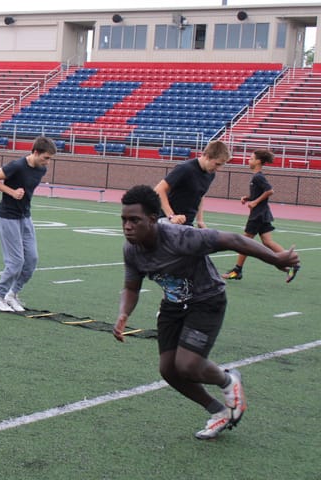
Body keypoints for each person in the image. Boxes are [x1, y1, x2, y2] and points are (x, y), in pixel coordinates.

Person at [113, 185, 300, 440]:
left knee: (188, 365)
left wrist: (276, 259)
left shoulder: (180, 237)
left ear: (152, 219)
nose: (127, 226)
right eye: (124, 220)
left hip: (206, 300)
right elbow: (131, 288)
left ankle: (228, 380)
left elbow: (234, 240)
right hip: (172, 306)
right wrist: (124, 313)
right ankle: (219, 411)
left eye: (134, 220)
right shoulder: (130, 250)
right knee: (169, 370)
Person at [0, 136, 56, 312]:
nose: (48, 162)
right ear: (35, 152)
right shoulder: (16, 166)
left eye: (50, 159)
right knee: (15, 262)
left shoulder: (41, 170)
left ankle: (12, 294)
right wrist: (11, 192)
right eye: (46, 157)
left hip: (25, 217)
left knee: (31, 260)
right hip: (8, 217)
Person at [222, 149, 301, 282]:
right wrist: (248, 198)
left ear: (258, 161)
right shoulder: (256, 177)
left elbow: (270, 191)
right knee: (267, 242)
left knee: (244, 242)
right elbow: (259, 194)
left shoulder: (258, 176)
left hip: (258, 215)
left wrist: (255, 202)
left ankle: (237, 270)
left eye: (251, 158)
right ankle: (292, 264)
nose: (249, 160)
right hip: (262, 213)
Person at [154, 140, 230, 228]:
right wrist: (171, 216)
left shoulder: (211, 174)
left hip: (187, 223)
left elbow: (200, 195)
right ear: (208, 157)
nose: (219, 168)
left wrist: (200, 220)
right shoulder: (185, 168)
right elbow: (159, 189)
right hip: (168, 221)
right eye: (217, 164)